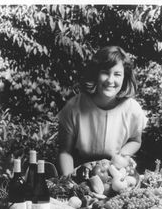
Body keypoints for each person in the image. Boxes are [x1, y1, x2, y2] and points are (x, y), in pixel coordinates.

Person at [57, 46, 147, 176]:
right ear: (95, 74)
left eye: (117, 74)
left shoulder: (132, 109)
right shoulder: (73, 107)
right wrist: (70, 183)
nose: (110, 80)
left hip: (115, 173)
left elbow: (135, 140)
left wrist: (121, 156)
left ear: (124, 77)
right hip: (79, 173)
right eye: (105, 72)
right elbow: (65, 152)